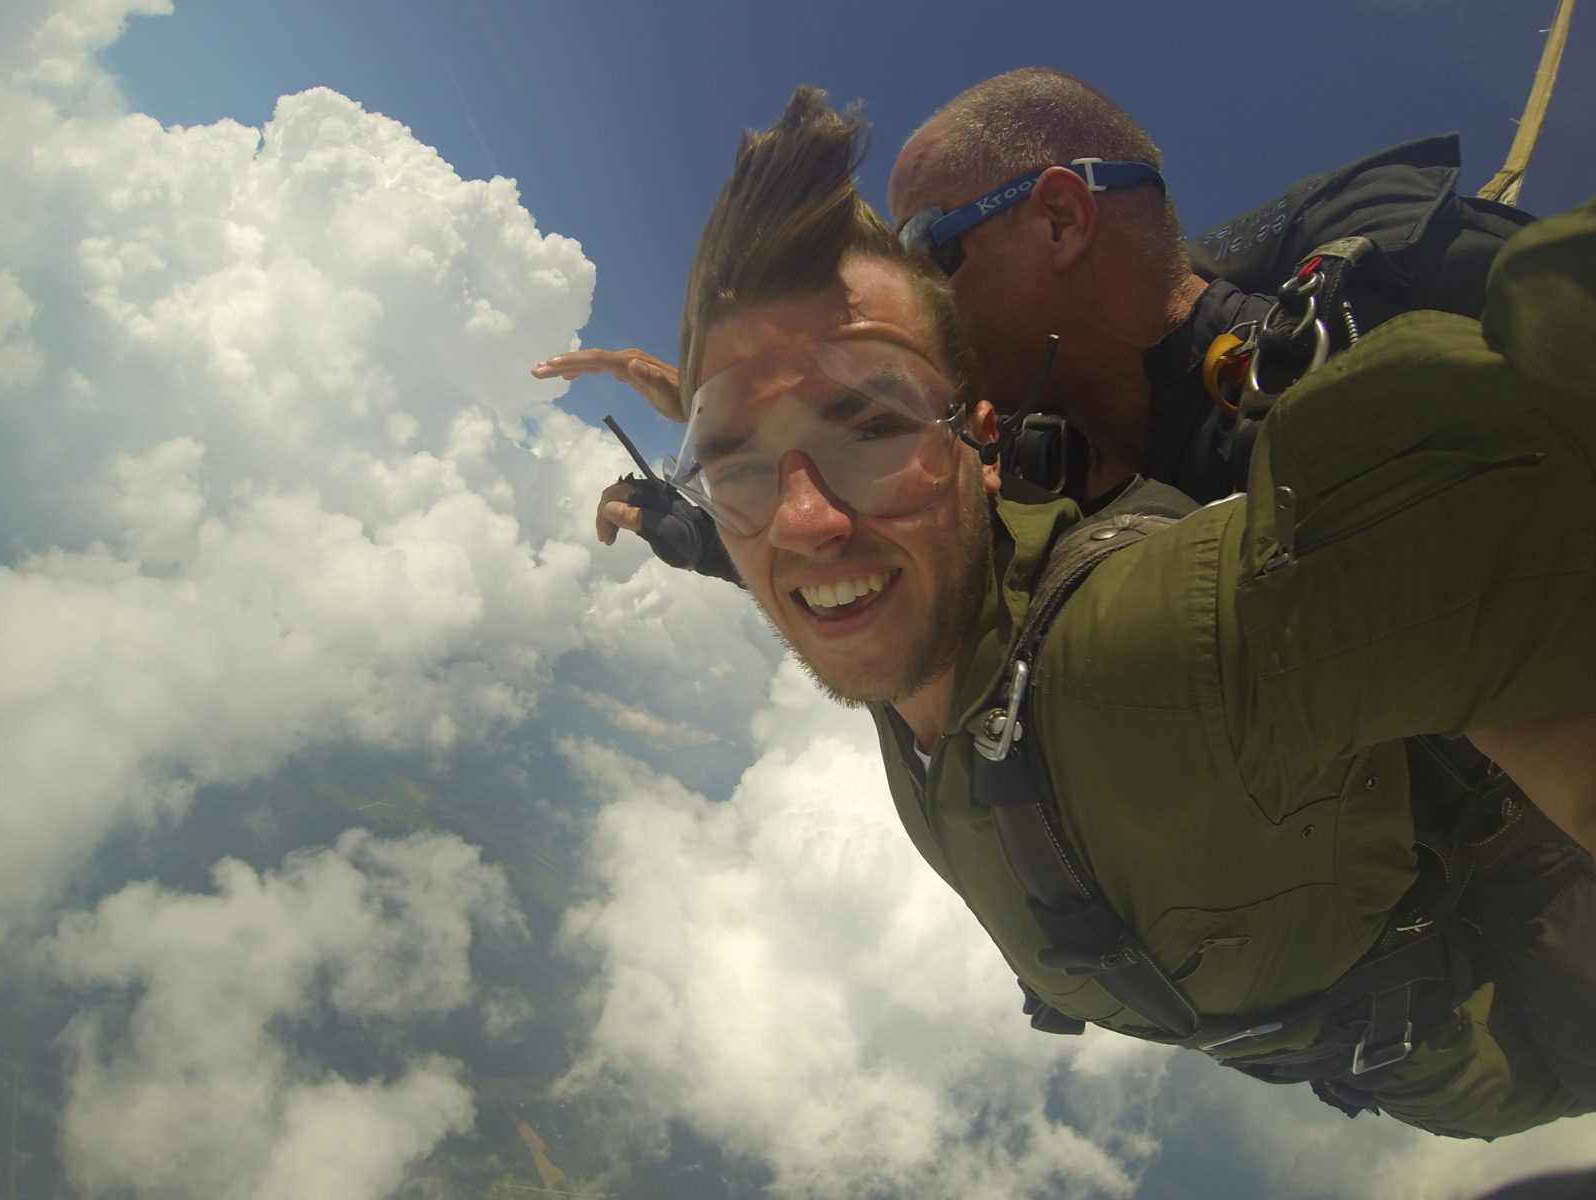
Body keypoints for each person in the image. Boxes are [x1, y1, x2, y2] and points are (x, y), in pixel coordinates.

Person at [613, 84, 1596, 1139]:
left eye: (928, 249)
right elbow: (855, 556)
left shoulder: (1210, 563)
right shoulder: (956, 550)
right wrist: (717, 475)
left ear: (1056, 218)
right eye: (747, 458)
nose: (810, 517)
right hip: (1390, 1038)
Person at [534, 67, 1531, 541]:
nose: (910, 301)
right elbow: (846, 534)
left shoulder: (1349, 352)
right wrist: (670, 513)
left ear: (1059, 219)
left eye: (931, 251)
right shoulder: (1021, 452)